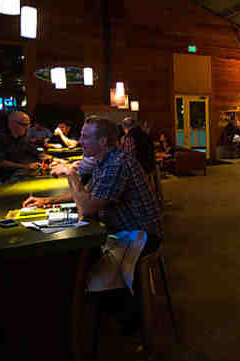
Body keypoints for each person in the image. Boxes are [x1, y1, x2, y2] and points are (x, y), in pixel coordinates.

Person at [24, 116, 162, 331]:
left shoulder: (117, 163)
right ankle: (106, 311)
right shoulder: (105, 160)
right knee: (81, 257)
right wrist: (47, 201)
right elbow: (88, 194)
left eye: (85, 137)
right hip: (121, 229)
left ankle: (125, 318)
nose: (80, 141)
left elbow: (87, 208)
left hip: (142, 234)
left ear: (103, 141)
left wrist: (71, 174)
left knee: (80, 260)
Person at [0, 111, 47, 183]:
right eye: (24, 125)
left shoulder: (21, 139)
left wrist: (46, 157)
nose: (27, 128)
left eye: (28, 125)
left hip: (10, 177)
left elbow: (35, 152)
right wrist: (26, 166)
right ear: (12, 124)